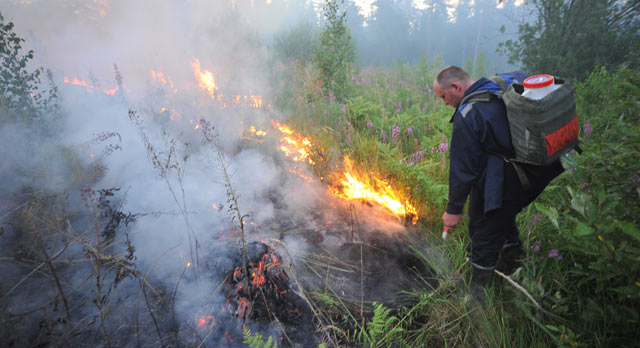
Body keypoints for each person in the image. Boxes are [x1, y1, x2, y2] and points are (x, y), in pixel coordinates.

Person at [433, 66, 564, 302]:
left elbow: (462, 170)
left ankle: (478, 300)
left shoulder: (469, 113)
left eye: (443, 96)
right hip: (533, 170)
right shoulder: (499, 86)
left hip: (510, 177)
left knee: (485, 232)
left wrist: (453, 210)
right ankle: (512, 266)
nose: (444, 103)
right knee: (495, 214)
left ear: (456, 87)